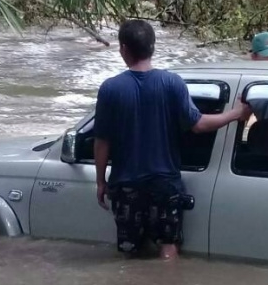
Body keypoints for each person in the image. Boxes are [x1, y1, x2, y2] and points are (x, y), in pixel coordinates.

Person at [94, 19, 248, 260]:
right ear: (153, 47)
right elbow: (198, 125)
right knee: (168, 247)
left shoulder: (110, 89)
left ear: (123, 48)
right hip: (165, 184)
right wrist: (235, 114)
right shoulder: (172, 83)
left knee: (131, 252)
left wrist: (100, 181)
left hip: (126, 185)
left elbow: (102, 141)